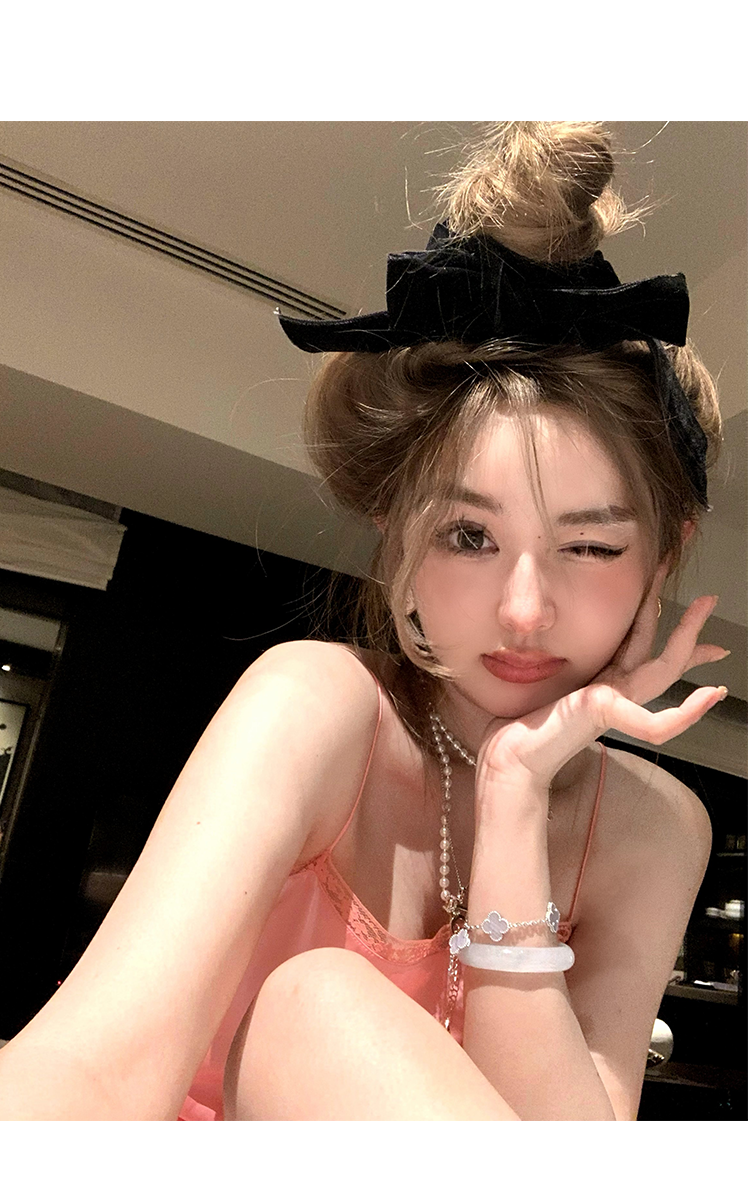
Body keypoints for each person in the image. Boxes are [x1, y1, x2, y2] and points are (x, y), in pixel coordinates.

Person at [0, 122, 728, 1121]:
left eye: (592, 546)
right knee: (320, 1006)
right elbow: (92, 1066)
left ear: (663, 554)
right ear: (399, 537)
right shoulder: (318, 704)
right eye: (470, 535)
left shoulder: (655, 828)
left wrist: (515, 794)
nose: (524, 608)